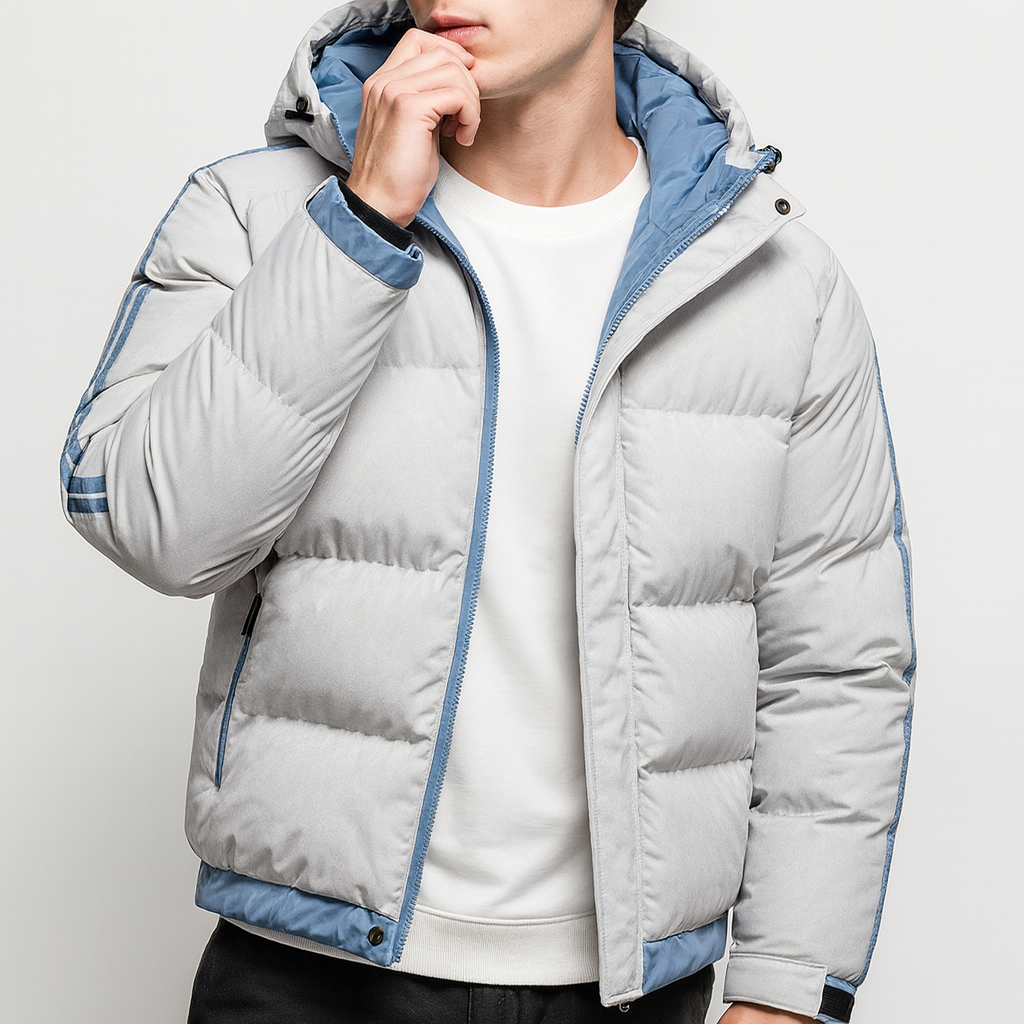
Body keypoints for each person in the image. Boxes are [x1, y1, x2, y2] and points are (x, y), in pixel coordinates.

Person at [60, 1, 916, 1022]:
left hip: (632, 992)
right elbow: (160, 530)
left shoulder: (775, 279)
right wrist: (362, 222)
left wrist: (786, 989)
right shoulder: (256, 212)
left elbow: (837, 664)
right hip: (308, 978)